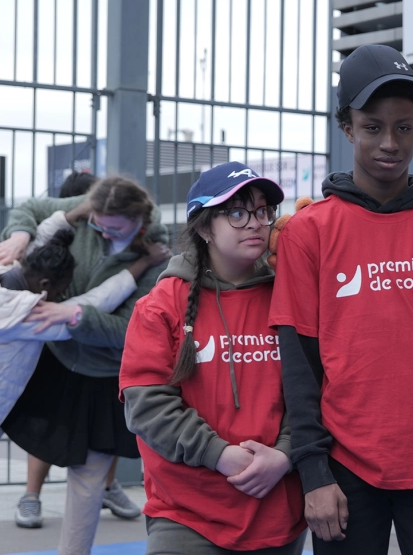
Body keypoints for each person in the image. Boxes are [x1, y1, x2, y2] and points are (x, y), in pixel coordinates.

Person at [271, 44, 413, 555]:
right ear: (347, 127)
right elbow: (299, 366)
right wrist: (313, 472)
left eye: (405, 126)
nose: (390, 142)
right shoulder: (310, 232)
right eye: (373, 126)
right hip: (342, 471)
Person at [120, 162, 306, 554]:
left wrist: (286, 454)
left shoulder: (291, 297)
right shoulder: (160, 306)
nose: (255, 223)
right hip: (186, 515)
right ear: (204, 227)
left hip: (277, 510)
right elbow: (147, 406)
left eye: (261, 211)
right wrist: (217, 454)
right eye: (236, 213)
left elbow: (312, 389)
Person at [0, 176, 171, 554]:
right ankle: (31, 495)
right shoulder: (88, 212)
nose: (103, 231)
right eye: (97, 223)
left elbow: (129, 328)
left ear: (138, 220)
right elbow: (30, 212)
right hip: (54, 364)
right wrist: (20, 234)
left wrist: (74, 316)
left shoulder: (157, 252)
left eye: (114, 227)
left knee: (89, 476)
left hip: (100, 375)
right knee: (43, 444)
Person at [1, 223, 169, 425]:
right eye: (60, 292)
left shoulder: (8, 267)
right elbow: (96, 301)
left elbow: (47, 227)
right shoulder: (20, 315)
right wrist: (144, 262)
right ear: (45, 284)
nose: (61, 298)